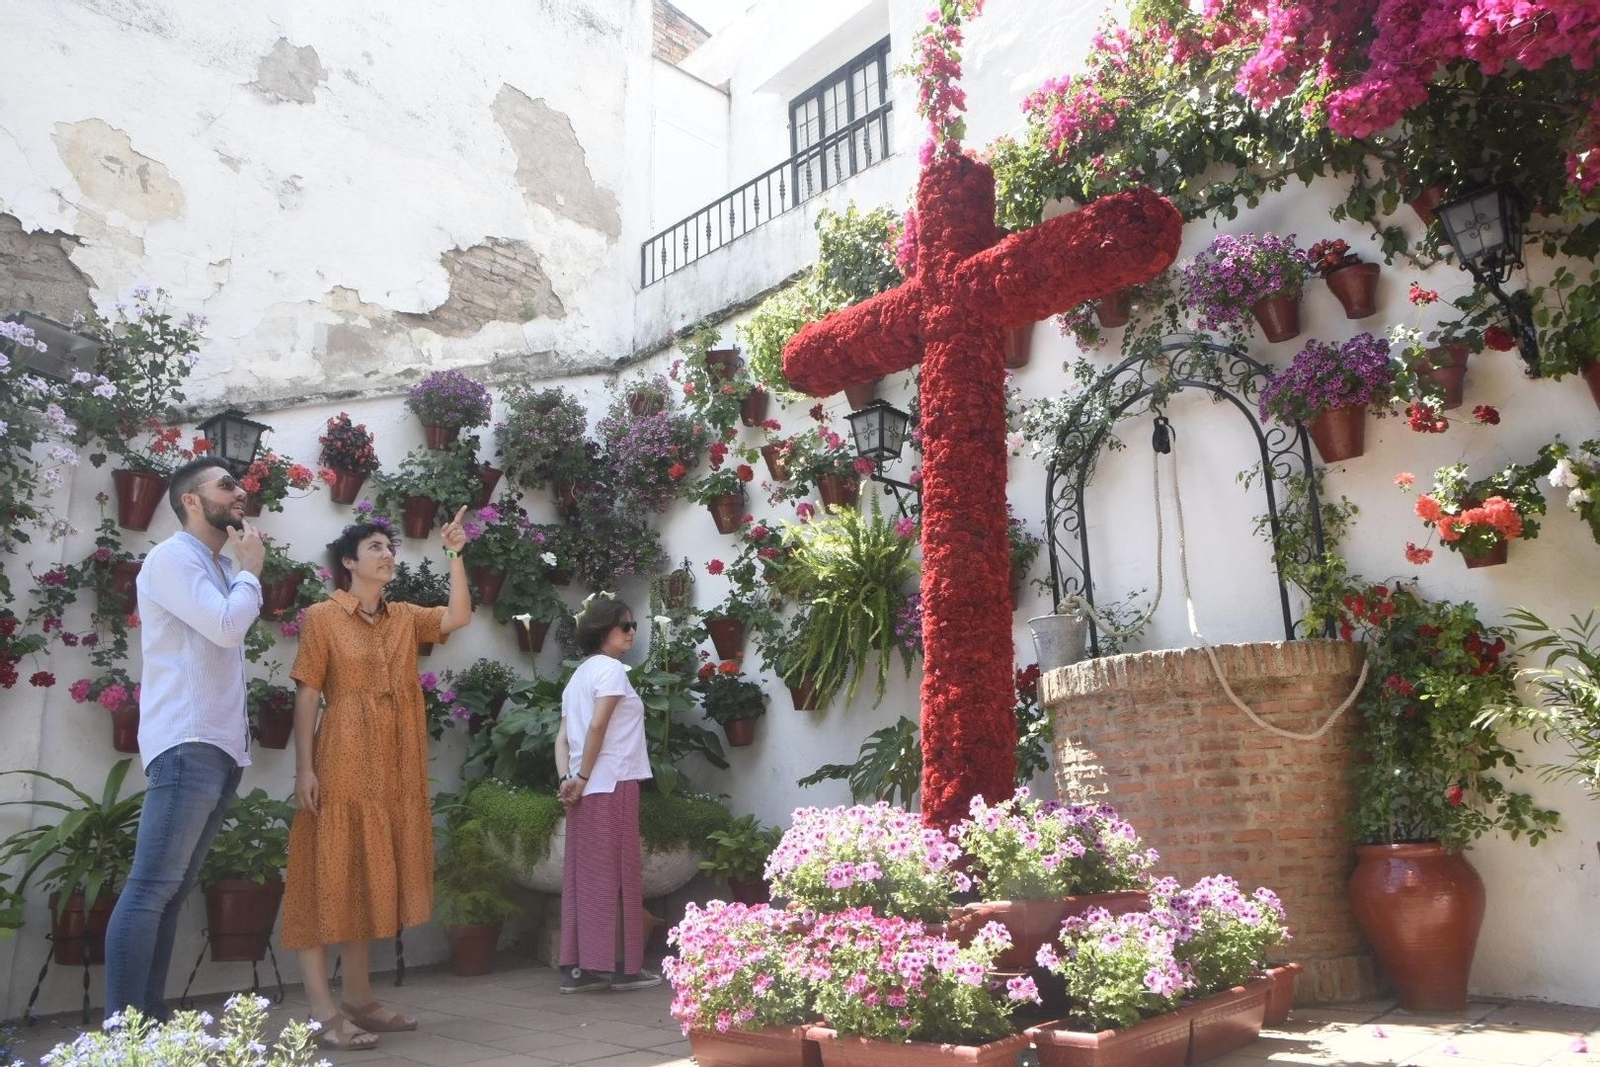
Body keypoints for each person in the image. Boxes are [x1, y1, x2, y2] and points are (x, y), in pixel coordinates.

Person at [281, 509, 472, 1051]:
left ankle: (360, 998)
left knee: (364, 873)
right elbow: (308, 694)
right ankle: (322, 1010)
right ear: (348, 562)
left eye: (391, 546)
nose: (388, 554)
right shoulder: (322, 616)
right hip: (341, 759)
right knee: (327, 875)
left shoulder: (405, 616)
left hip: (393, 766)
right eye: (375, 547)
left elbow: (458, 616)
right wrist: (304, 768)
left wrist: (456, 554)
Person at [104, 457, 265, 1023]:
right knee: (151, 888)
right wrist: (251, 571)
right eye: (226, 485)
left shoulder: (213, 563)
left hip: (217, 747)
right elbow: (226, 626)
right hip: (187, 742)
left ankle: (149, 1020)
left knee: (170, 893)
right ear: (192, 501)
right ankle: (122, 1031)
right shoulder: (173, 559)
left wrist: (239, 572)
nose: (240, 491)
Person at [554, 594, 662, 994]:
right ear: (603, 631)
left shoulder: (577, 677)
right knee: (620, 877)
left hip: (584, 789)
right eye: (625, 626)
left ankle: (580, 968)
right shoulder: (613, 671)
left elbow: (562, 738)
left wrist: (568, 779)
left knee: (585, 877)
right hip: (612, 783)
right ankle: (624, 969)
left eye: (633, 625)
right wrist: (581, 777)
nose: (633, 631)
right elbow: (597, 727)